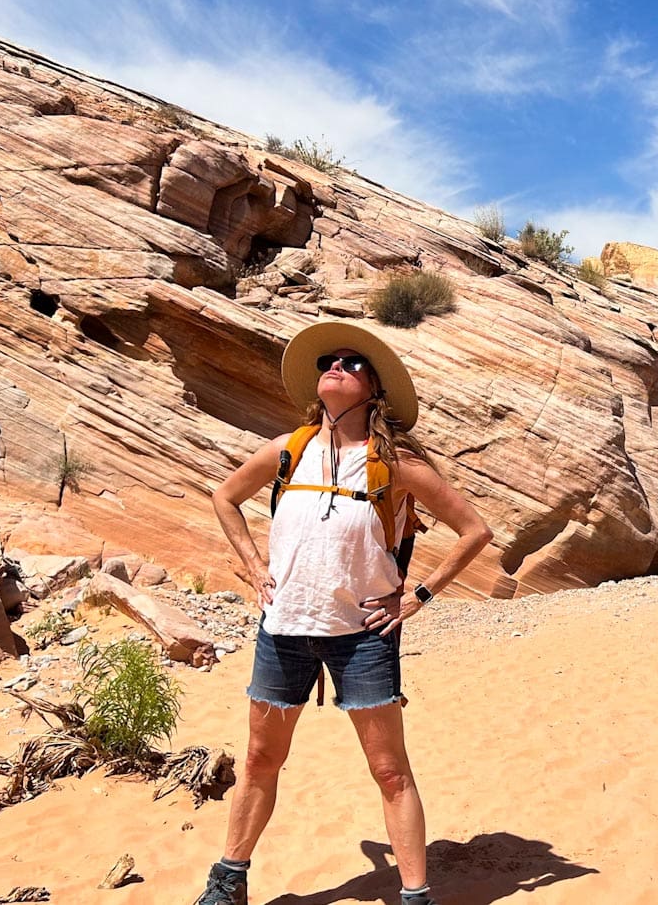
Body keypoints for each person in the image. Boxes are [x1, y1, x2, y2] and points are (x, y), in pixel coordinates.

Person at [196, 321, 493, 905]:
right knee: (260, 758)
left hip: (362, 636)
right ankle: (228, 881)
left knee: (389, 771)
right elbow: (225, 496)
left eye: (352, 362)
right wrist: (256, 566)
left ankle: (415, 896)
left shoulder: (396, 466)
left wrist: (417, 596)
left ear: (374, 390)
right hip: (284, 627)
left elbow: (474, 531)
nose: (335, 366)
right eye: (327, 360)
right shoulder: (290, 449)